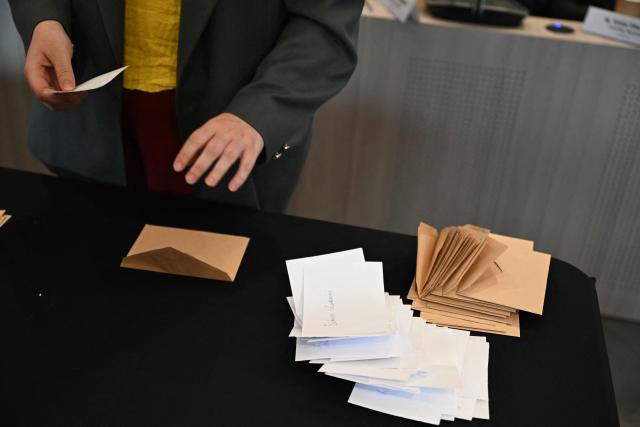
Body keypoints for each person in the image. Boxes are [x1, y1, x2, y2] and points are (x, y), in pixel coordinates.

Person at [9, 1, 363, 212]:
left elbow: (323, 25)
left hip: (229, 137)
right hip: (87, 123)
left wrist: (261, 112)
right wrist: (44, 18)